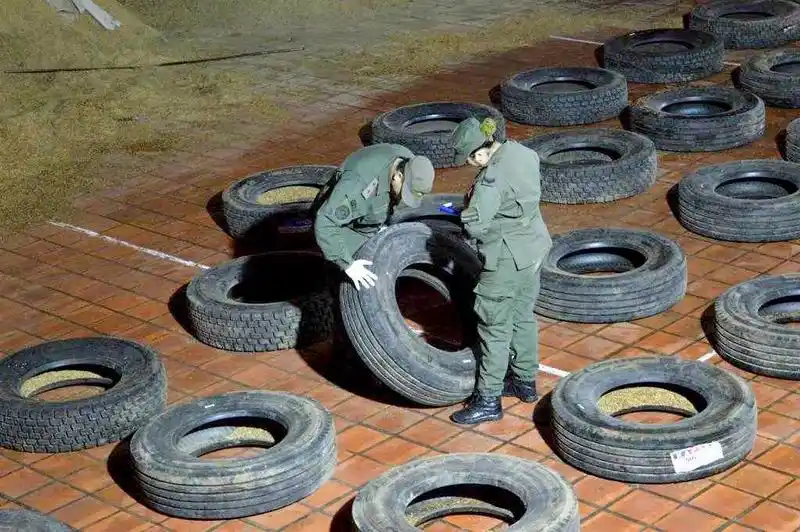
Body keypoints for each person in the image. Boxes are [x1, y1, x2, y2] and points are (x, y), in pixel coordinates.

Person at [448, 117, 552, 426]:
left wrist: (466, 211)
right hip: (534, 246)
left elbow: (476, 225)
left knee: (494, 326)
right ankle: (524, 381)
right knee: (522, 316)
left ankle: (488, 399)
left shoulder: (490, 178)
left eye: (469, 158)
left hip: (506, 258)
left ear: (480, 153)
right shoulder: (521, 152)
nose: (470, 164)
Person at [313, 144, 435, 290]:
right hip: (345, 224)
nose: (403, 199)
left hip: (369, 213)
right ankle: (331, 290)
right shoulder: (358, 185)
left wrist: (380, 226)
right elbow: (325, 222)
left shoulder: (409, 162)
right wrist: (348, 265)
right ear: (398, 176)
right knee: (348, 277)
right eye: (404, 193)